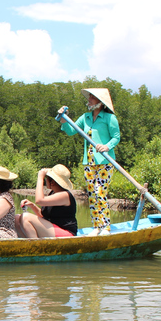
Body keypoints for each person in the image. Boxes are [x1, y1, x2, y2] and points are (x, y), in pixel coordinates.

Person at [58, 88, 120, 236]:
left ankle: (105, 226)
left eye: (93, 97)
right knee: (92, 194)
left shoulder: (109, 118)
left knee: (100, 192)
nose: (89, 99)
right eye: (90, 97)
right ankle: (96, 227)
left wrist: (106, 146)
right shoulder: (85, 117)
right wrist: (63, 119)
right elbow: (71, 130)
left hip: (105, 160)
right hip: (89, 162)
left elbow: (116, 137)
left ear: (101, 102)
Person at [15, 164, 78, 238]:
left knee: (26, 217)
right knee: (17, 218)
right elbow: (43, 216)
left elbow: (39, 200)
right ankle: (26, 244)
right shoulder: (53, 193)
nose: (45, 180)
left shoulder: (65, 195)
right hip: (52, 229)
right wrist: (32, 206)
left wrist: (40, 177)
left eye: (46, 178)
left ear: (52, 182)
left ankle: (35, 246)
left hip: (65, 233)